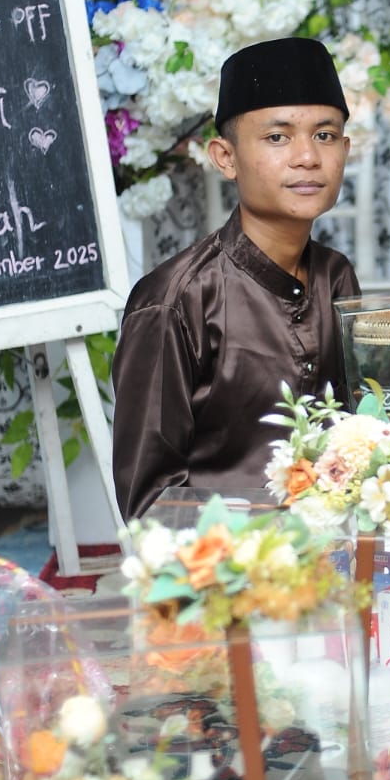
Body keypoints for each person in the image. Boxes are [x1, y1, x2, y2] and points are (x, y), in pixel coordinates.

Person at [112, 36, 358, 519]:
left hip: (335, 545)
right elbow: (149, 503)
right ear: (225, 157)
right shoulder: (176, 301)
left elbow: (357, 433)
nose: (308, 157)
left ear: (345, 150)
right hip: (228, 557)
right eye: (277, 137)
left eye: (325, 136)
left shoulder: (336, 276)